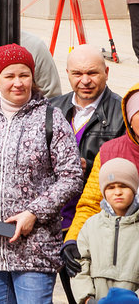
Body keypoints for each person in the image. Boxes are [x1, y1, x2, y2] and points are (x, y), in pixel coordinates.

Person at [0, 44, 85, 304]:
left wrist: (33, 213)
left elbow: (71, 176)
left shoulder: (51, 119)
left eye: (23, 75)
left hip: (35, 249)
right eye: (9, 76)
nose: (17, 83)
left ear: (32, 77)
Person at [54, 45, 128, 229]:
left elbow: (129, 172)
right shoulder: (52, 109)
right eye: (77, 74)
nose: (85, 80)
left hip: (95, 221)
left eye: (92, 73)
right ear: (68, 73)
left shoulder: (123, 114)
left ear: (107, 72)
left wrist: (89, 167)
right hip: (52, 221)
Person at [69, 86, 139, 239]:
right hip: (113, 245)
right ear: (129, 119)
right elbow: (90, 205)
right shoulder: (110, 152)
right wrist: (73, 240)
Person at [69, 157, 139, 303]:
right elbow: (81, 263)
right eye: (111, 187)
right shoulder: (91, 225)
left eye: (124, 186)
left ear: (134, 188)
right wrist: (87, 298)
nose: (117, 192)